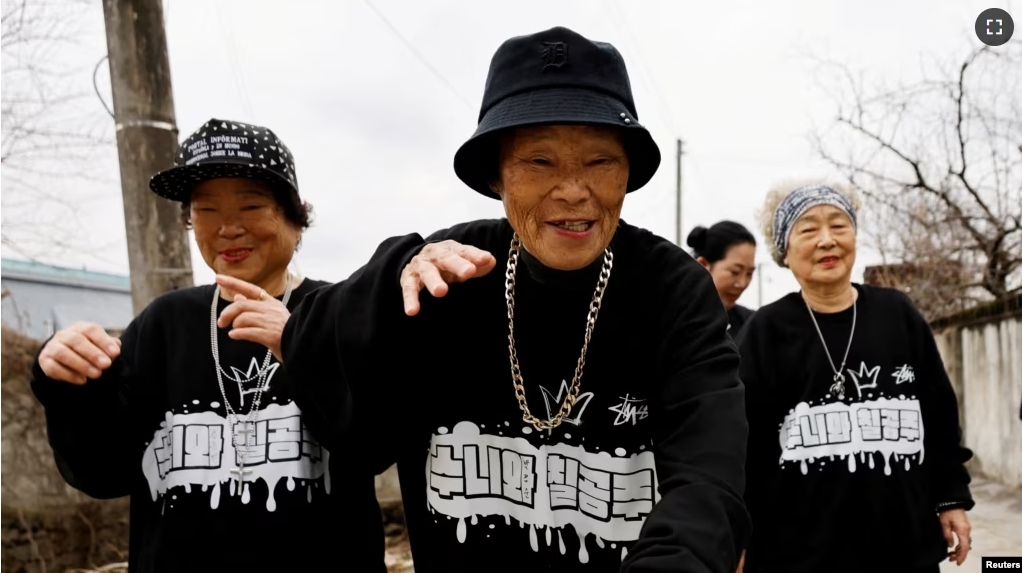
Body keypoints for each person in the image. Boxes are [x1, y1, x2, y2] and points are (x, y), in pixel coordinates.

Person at [220, 26, 750, 573]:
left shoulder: (672, 289)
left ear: (627, 174)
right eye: (539, 162)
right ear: (497, 177)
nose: (572, 190)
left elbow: (708, 475)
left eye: (599, 162)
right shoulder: (449, 273)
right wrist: (382, 286)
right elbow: (361, 432)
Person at [29, 119, 385, 572]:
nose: (228, 228)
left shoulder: (337, 312)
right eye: (205, 211)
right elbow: (100, 472)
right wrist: (68, 381)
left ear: (296, 219)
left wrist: (298, 344)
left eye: (252, 205)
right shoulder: (165, 323)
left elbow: (376, 444)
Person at [735, 180, 974, 573]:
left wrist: (951, 498)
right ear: (784, 251)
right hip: (798, 552)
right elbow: (744, 447)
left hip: (902, 546)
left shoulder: (897, 314)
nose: (827, 240)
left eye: (839, 225)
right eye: (808, 229)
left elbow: (939, 416)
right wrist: (738, 532)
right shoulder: (766, 331)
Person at [686, 221, 757, 335]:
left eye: (749, 273)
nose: (742, 283)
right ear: (703, 265)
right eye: (735, 272)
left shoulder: (751, 325)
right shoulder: (671, 318)